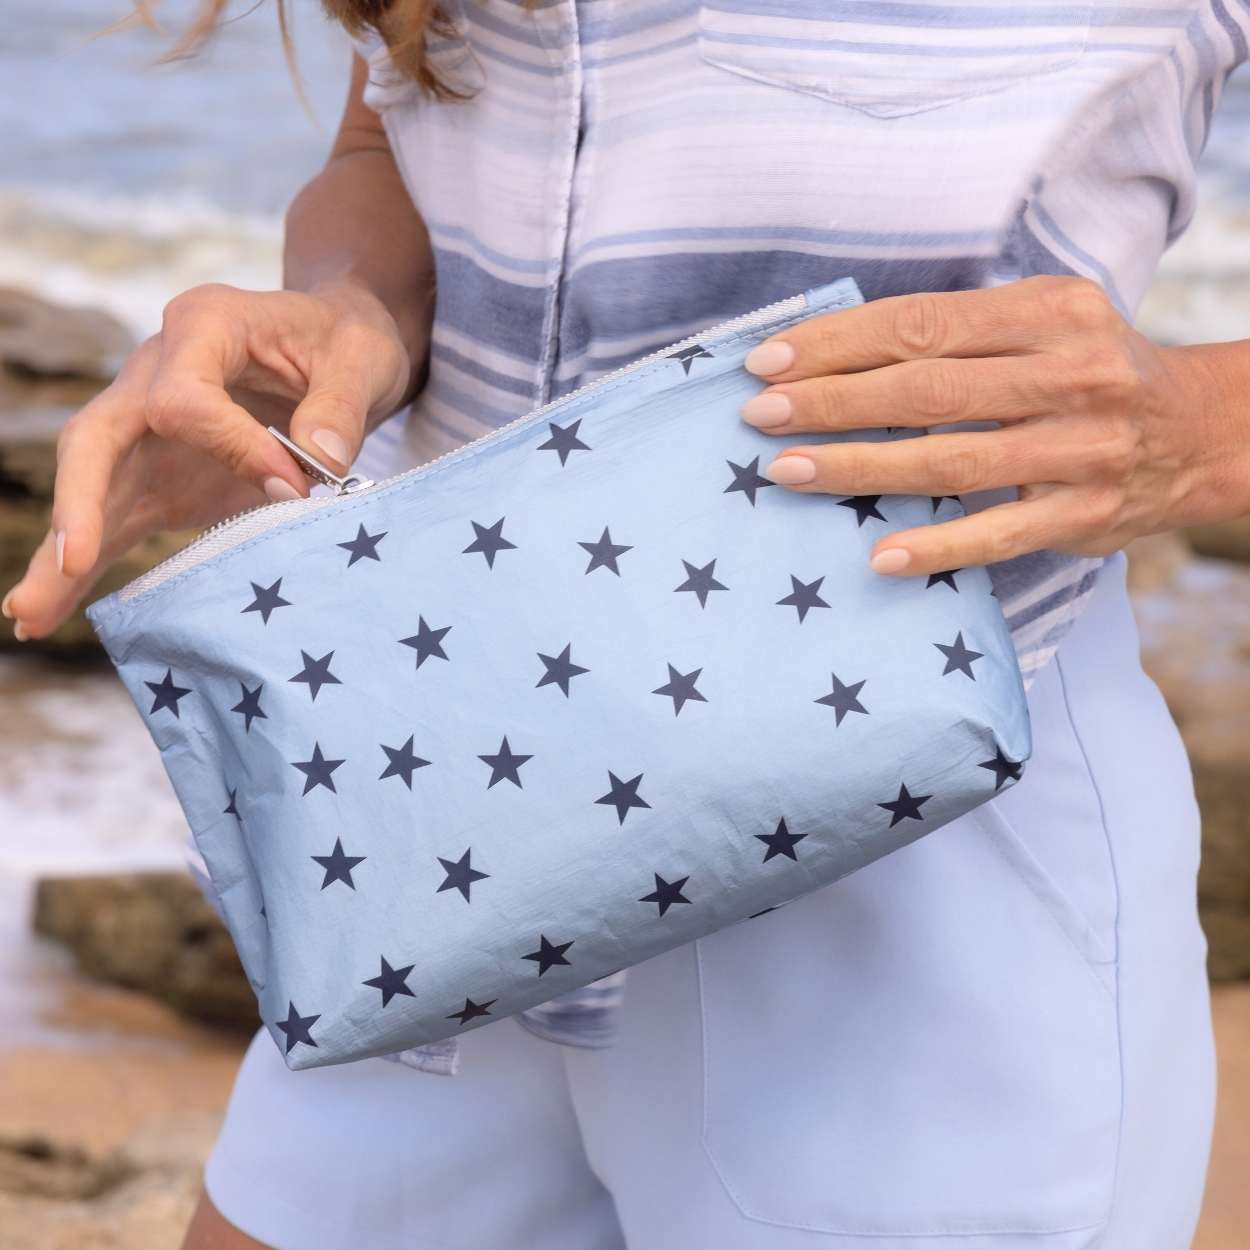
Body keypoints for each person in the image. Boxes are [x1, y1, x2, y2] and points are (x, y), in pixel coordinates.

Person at [7, 3, 1250, 1247]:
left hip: (912, 888)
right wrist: (348, 314)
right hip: (433, 845)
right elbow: (397, 132)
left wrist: (1202, 425)